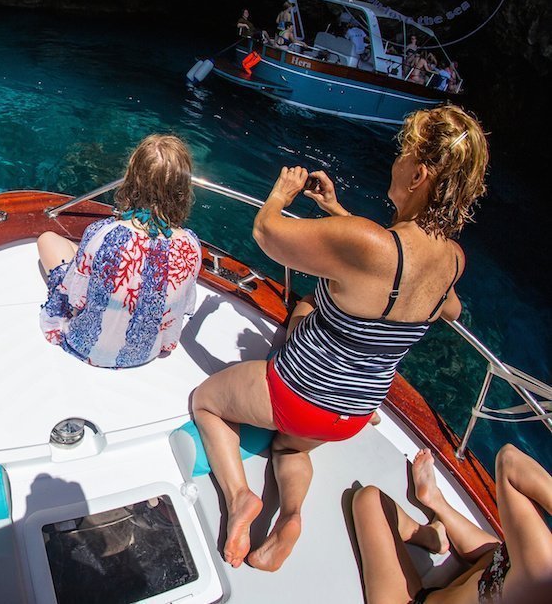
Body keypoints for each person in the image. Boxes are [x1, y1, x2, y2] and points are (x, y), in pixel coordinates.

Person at [190, 104, 488, 572]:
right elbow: (433, 295)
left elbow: (266, 233)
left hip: (299, 393)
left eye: (403, 153)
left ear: (419, 175)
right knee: (289, 447)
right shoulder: (452, 260)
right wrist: (335, 213)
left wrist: (280, 195)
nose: (397, 161)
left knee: (206, 402)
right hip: (354, 412)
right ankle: (289, 516)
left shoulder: (370, 244)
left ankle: (240, 496)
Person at [37, 134, 202, 368]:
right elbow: (177, 312)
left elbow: (76, 299)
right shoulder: (192, 246)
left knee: (48, 240)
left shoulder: (104, 233)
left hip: (84, 345)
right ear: (183, 189)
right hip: (145, 355)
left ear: (132, 179)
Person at [351, 446, 552, 604]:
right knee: (503, 552)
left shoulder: (541, 570)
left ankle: (429, 535)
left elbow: (510, 460)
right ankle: (435, 501)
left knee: (369, 500)